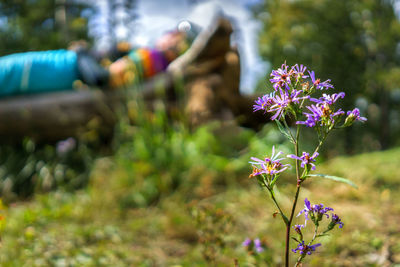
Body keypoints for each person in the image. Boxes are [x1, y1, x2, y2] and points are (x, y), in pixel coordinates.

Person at [0, 21, 198, 98]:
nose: (168, 35)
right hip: (60, 66)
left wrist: (82, 54)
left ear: (179, 46)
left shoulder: (153, 57)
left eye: (175, 35)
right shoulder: (149, 55)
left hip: (59, 67)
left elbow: (103, 77)